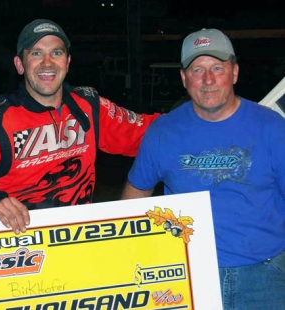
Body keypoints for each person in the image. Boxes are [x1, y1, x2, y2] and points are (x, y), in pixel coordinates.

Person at [0, 19, 160, 234]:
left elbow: (150, 131)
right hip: (24, 244)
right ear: (20, 64)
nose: (47, 62)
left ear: (68, 62)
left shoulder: (89, 105)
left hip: (81, 235)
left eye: (57, 53)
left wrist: (192, 115)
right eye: (36, 53)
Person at [121, 28, 285, 309]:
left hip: (266, 275)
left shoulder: (272, 127)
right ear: (184, 78)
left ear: (234, 72)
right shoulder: (162, 132)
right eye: (197, 70)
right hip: (189, 275)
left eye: (217, 68)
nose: (208, 80)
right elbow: (133, 198)